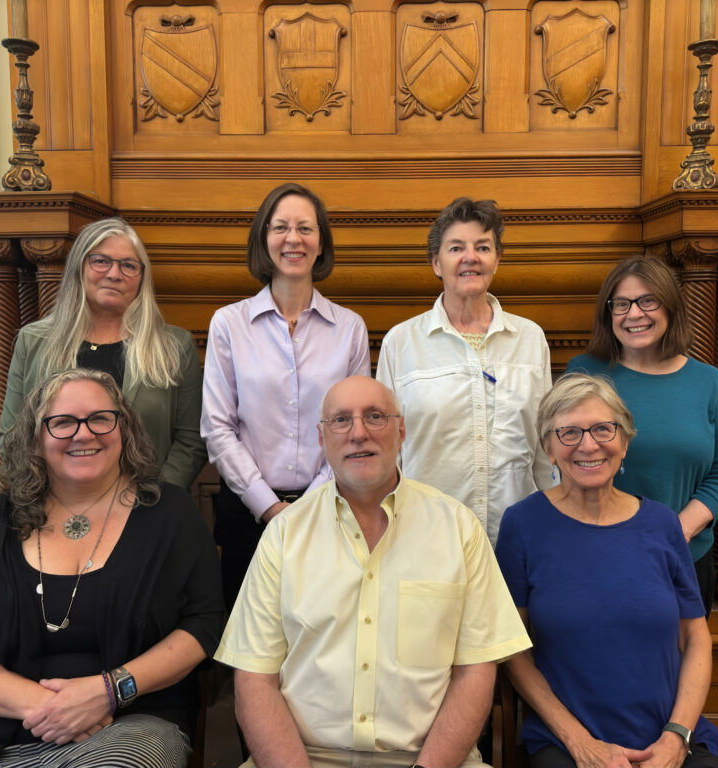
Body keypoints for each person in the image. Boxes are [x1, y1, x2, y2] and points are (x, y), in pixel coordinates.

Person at [215, 376, 531, 768]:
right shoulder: (284, 533)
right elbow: (253, 678)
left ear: (401, 431)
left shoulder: (458, 528)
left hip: (431, 760)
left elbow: (476, 671)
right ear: (321, 438)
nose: (359, 433)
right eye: (341, 420)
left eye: (375, 417)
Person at [0, 369, 223, 768]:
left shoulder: (171, 515)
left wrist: (109, 691)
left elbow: (204, 624)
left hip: (131, 725)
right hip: (0, 734)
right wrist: (51, 707)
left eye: (100, 418)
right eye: (62, 422)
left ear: (124, 427)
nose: (84, 434)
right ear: (35, 437)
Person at [495, 373, 718, 768]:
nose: (588, 444)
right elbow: (513, 650)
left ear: (626, 439)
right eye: (568, 433)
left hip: (668, 734)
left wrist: (677, 736)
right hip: (566, 741)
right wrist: (579, 741)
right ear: (549, 448)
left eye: (603, 428)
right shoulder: (522, 525)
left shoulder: (663, 524)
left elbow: (696, 637)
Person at [201, 183, 370, 608]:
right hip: (246, 513)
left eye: (305, 228)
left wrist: (309, 506)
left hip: (332, 509)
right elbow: (217, 428)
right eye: (281, 227)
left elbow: (355, 429)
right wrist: (270, 508)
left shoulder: (350, 328)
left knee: (325, 640)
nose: (293, 238)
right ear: (264, 238)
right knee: (252, 649)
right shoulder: (229, 324)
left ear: (320, 242)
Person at [566, 256, 718, 610]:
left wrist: (677, 531)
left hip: (683, 556)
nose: (634, 314)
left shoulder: (708, 382)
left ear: (670, 306)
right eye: (621, 303)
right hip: (596, 554)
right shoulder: (584, 372)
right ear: (608, 313)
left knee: (680, 662)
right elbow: (564, 457)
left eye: (648, 301)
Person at [376, 197, 553, 545]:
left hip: (517, 538)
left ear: (496, 260)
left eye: (483, 247)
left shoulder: (531, 339)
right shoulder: (401, 342)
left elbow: (546, 449)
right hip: (428, 538)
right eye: (456, 247)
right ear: (436, 263)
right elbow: (387, 450)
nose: (470, 257)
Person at [0, 217, 206, 491]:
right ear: (79, 268)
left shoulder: (174, 345)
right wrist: (46, 496)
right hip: (53, 505)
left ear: (142, 278)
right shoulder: (33, 341)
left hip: (147, 505)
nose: (114, 274)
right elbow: (11, 436)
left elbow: (192, 441)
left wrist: (155, 499)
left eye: (128, 265)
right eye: (101, 261)